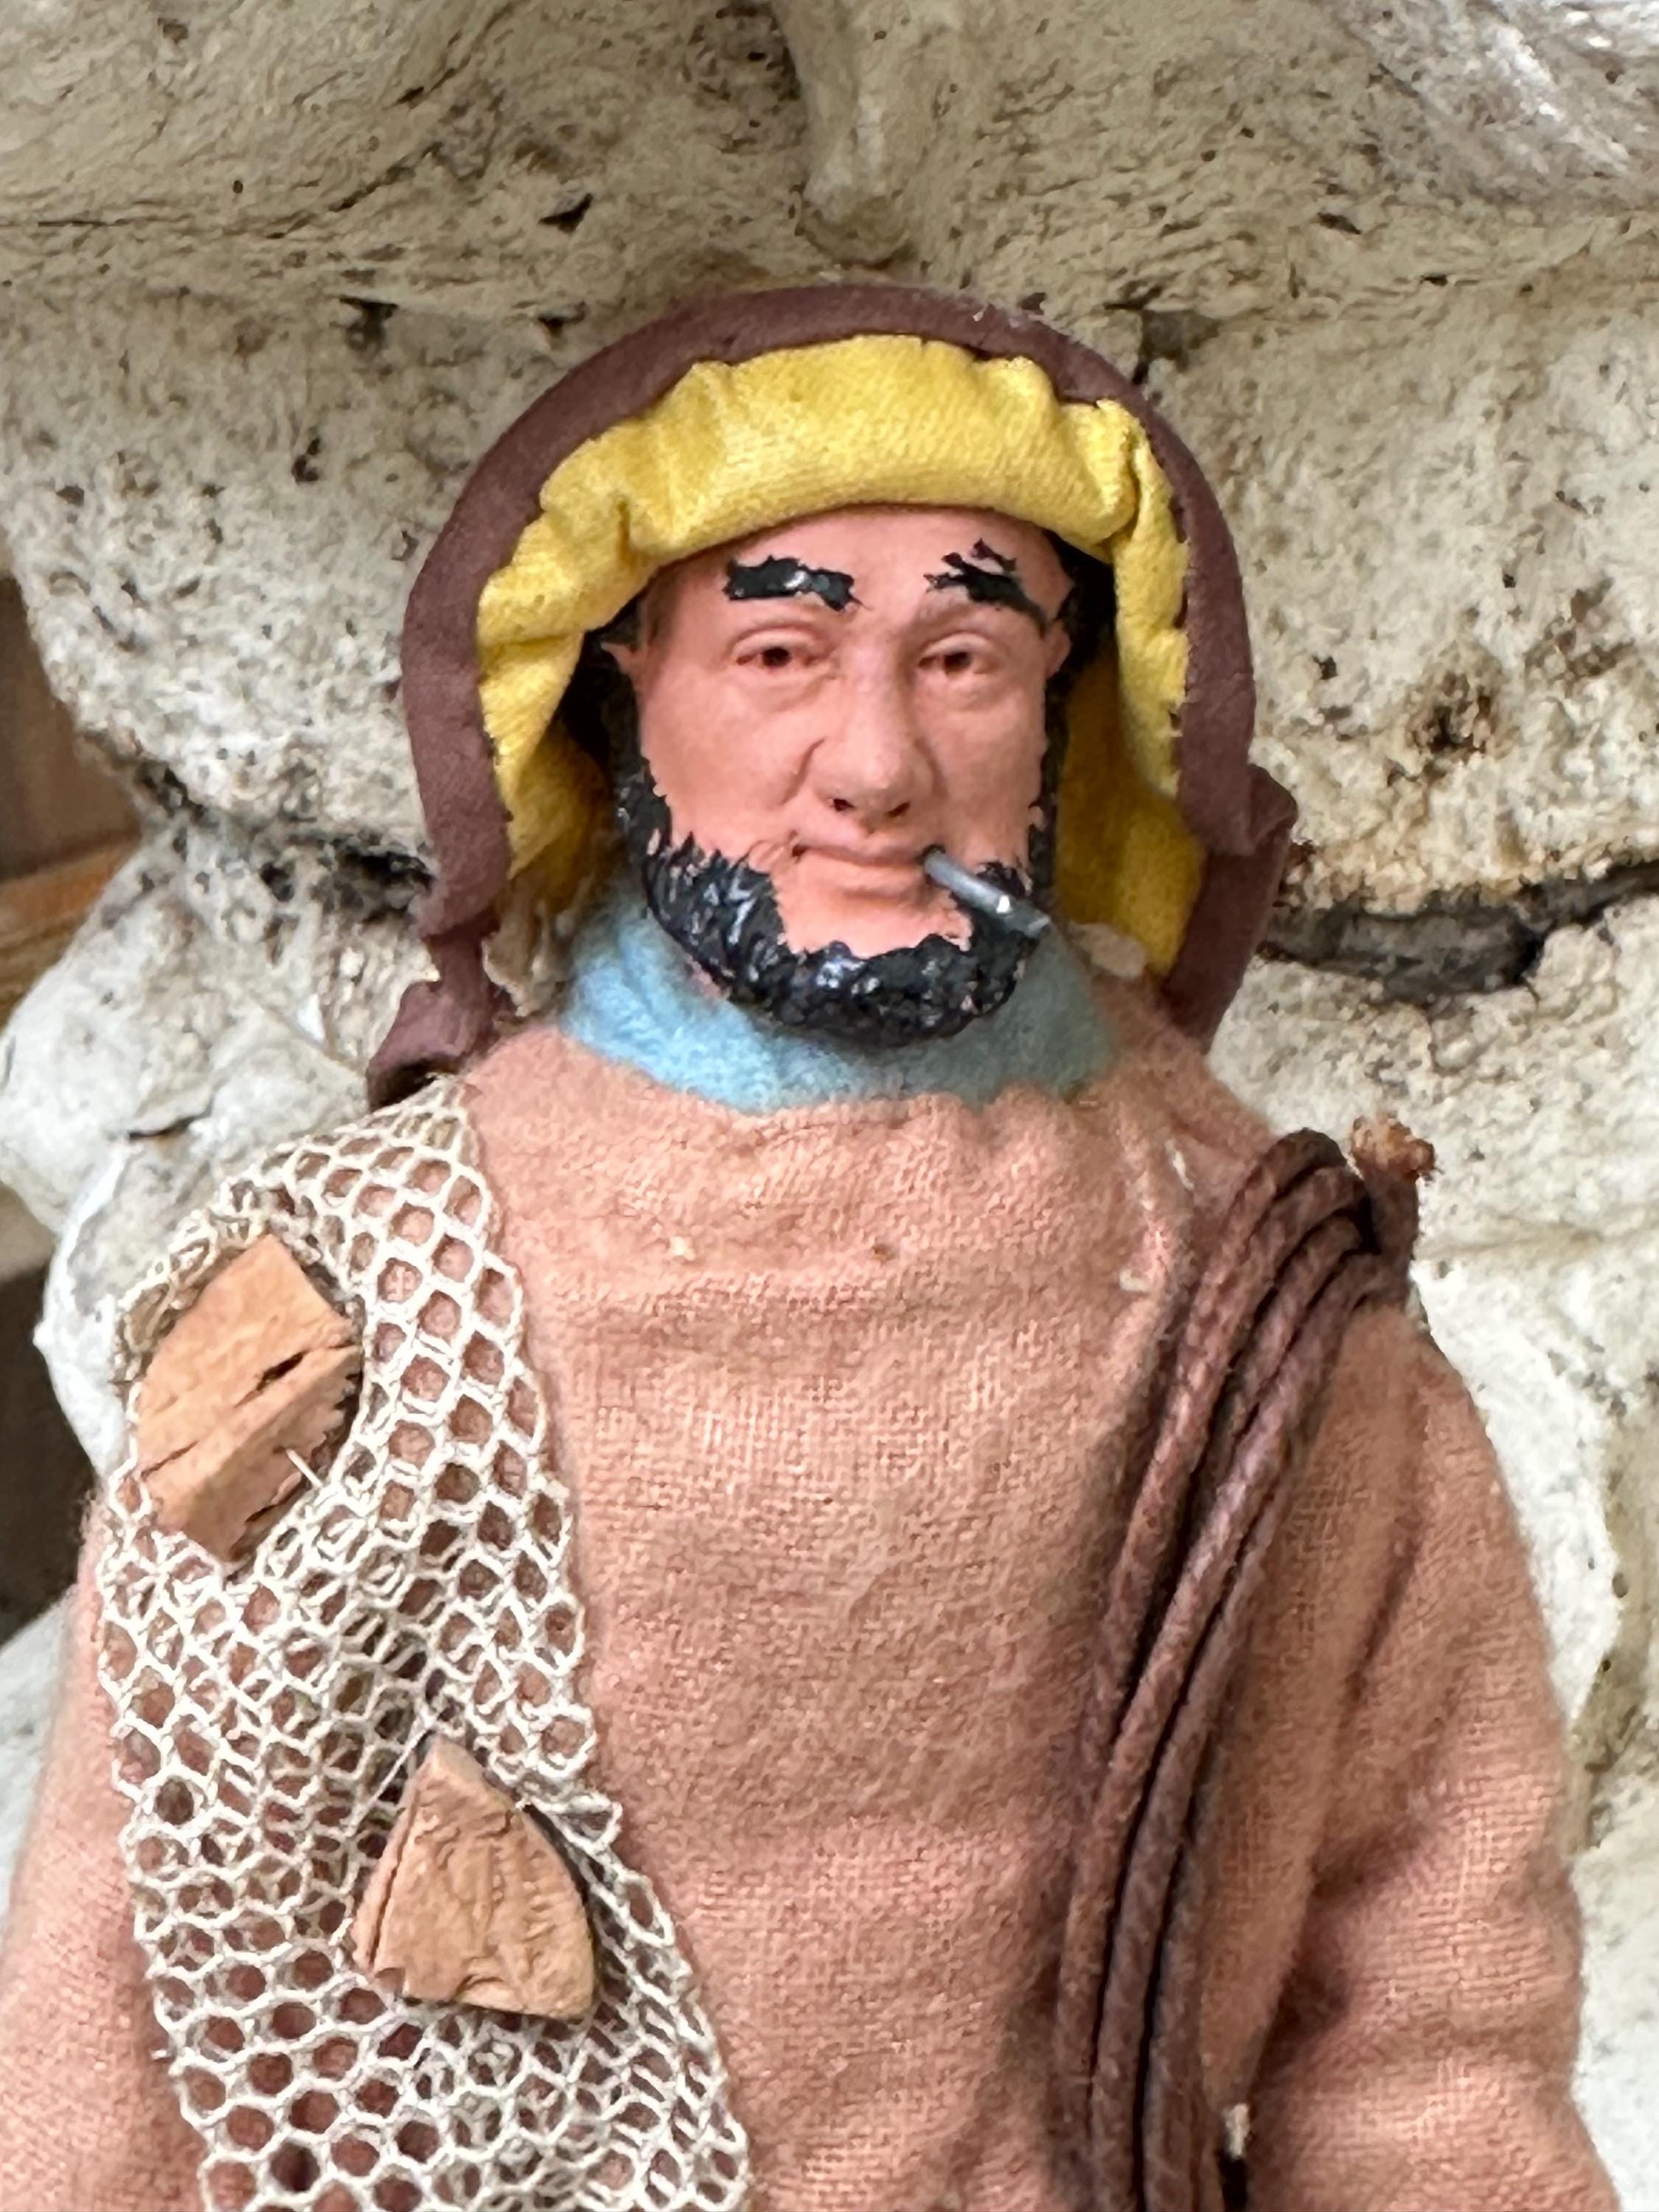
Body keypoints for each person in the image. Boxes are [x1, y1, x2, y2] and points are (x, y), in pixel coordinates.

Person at [0, 285, 1615, 2212]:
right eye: (778, 651)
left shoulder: (1258, 1301)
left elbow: (1428, 2024)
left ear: (1062, 714)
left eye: (963, 658)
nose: (874, 762)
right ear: (622, 697)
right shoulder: (368, 1302)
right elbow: (121, 2010)